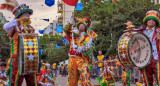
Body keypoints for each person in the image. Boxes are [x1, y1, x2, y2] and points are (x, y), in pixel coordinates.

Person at [3, 3, 37, 86]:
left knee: (32, 82)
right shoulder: (14, 27)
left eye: (28, 15)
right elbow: (5, 27)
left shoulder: (31, 29)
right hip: (17, 59)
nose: (28, 17)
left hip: (30, 59)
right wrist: (17, 21)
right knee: (15, 83)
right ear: (19, 16)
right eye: (25, 15)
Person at [64, 17, 94, 86]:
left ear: (85, 28)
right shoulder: (73, 34)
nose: (81, 25)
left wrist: (79, 48)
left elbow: (87, 46)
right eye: (80, 24)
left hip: (81, 59)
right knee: (72, 78)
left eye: (83, 25)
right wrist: (69, 23)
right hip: (72, 59)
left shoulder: (87, 36)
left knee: (85, 77)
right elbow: (66, 30)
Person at [136, 10, 160, 86]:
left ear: (156, 22)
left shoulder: (158, 31)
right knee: (147, 80)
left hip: (156, 58)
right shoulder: (141, 31)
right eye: (149, 20)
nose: (151, 21)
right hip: (145, 60)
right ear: (146, 21)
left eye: (153, 20)